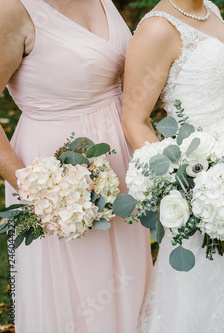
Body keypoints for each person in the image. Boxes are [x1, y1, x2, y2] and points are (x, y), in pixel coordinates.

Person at [120, 0, 224, 331]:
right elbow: (134, 119)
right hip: (197, 188)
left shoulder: (210, 9)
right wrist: (182, 187)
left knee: (221, 288)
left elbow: (221, 78)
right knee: (193, 290)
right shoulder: (157, 29)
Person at [0, 0, 152, 331]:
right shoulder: (12, 10)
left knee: (126, 279)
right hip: (56, 171)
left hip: (118, 164)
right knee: (80, 288)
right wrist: (38, 191)